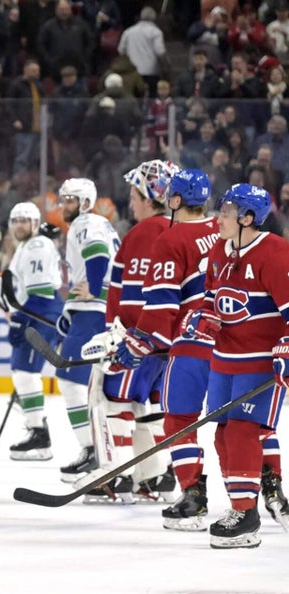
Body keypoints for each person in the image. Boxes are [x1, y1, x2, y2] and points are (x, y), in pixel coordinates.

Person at [194, 184, 289, 548]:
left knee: (243, 431)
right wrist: (206, 319)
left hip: (258, 362)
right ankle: (242, 505)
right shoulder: (220, 249)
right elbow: (210, 295)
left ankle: (246, 514)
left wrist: (285, 346)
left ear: (248, 219)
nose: (218, 219)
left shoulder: (276, 254)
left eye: (226, 213)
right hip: (223, 358)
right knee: (220, 433)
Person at [127, 169, 219, 530]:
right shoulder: (224, 231)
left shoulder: (171, 237)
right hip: (234, 344)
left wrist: (141, 343)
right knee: (242, 424)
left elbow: (162, 305)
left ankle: (194, 496)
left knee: (179, 419)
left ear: (176, 200)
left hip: (193, 343)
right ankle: (260, 496)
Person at [96, 160, 180, 503]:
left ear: (150, 196)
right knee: (150, 403)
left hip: (137, 337)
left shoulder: (145, 232)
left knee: (112, 399)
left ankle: (118, 476)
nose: (130, 201)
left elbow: (133, 293)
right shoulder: (179, 230)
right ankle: (155, 475)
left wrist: (121, 336)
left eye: (135, 193)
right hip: (167, 341)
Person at [52, 178, 121, 487]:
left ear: (83, 202)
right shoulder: (99, 224)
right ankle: (102, 451)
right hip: (93, 312)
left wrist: (94, 290)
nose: (62, 206)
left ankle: (93, 449)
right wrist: (70, 310)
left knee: (71, 381)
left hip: (94, 314)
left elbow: (97, 257)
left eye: (68, 200)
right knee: (95, 387)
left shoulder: (85, 223)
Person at [0, 202, 63, 460]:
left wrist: (21, 319)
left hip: (42, 313)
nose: (19, 225)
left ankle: (38, 433)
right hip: (34, 312)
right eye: (16, 220)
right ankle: (38, 432)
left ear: (35, 224)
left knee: (26, 373)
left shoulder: (36, 246)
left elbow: (42, 292)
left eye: (26, 220)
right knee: (21, 372)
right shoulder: (25, 246)